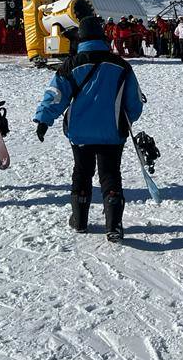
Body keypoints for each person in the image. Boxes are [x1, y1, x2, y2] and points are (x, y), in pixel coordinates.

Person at [34, 16, 144, 241]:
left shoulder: (71, 64)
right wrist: (127, 120)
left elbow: (56, 95)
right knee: (110, 175)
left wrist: (44, 120)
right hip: (112, 132)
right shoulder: (120, 65)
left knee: (82, 173)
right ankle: (114, 224)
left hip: (80, 132)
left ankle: (80, 220)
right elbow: (134, 102)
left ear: (80, 38)